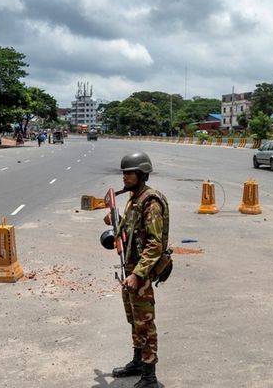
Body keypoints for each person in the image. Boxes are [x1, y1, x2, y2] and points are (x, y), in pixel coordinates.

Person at [104, 152, 169, 388]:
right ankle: (138, 361)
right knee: (134, 319)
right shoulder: (134, 198)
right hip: (130, 269)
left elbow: (155, 244)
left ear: (141, 174)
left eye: (129, 172)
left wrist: (137, 274)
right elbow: (131, 229)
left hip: (140, 273)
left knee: (145, 323)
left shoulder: (151, 202)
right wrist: (114, 221)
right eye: (124, 172)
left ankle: (150, 376)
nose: (125, 176)